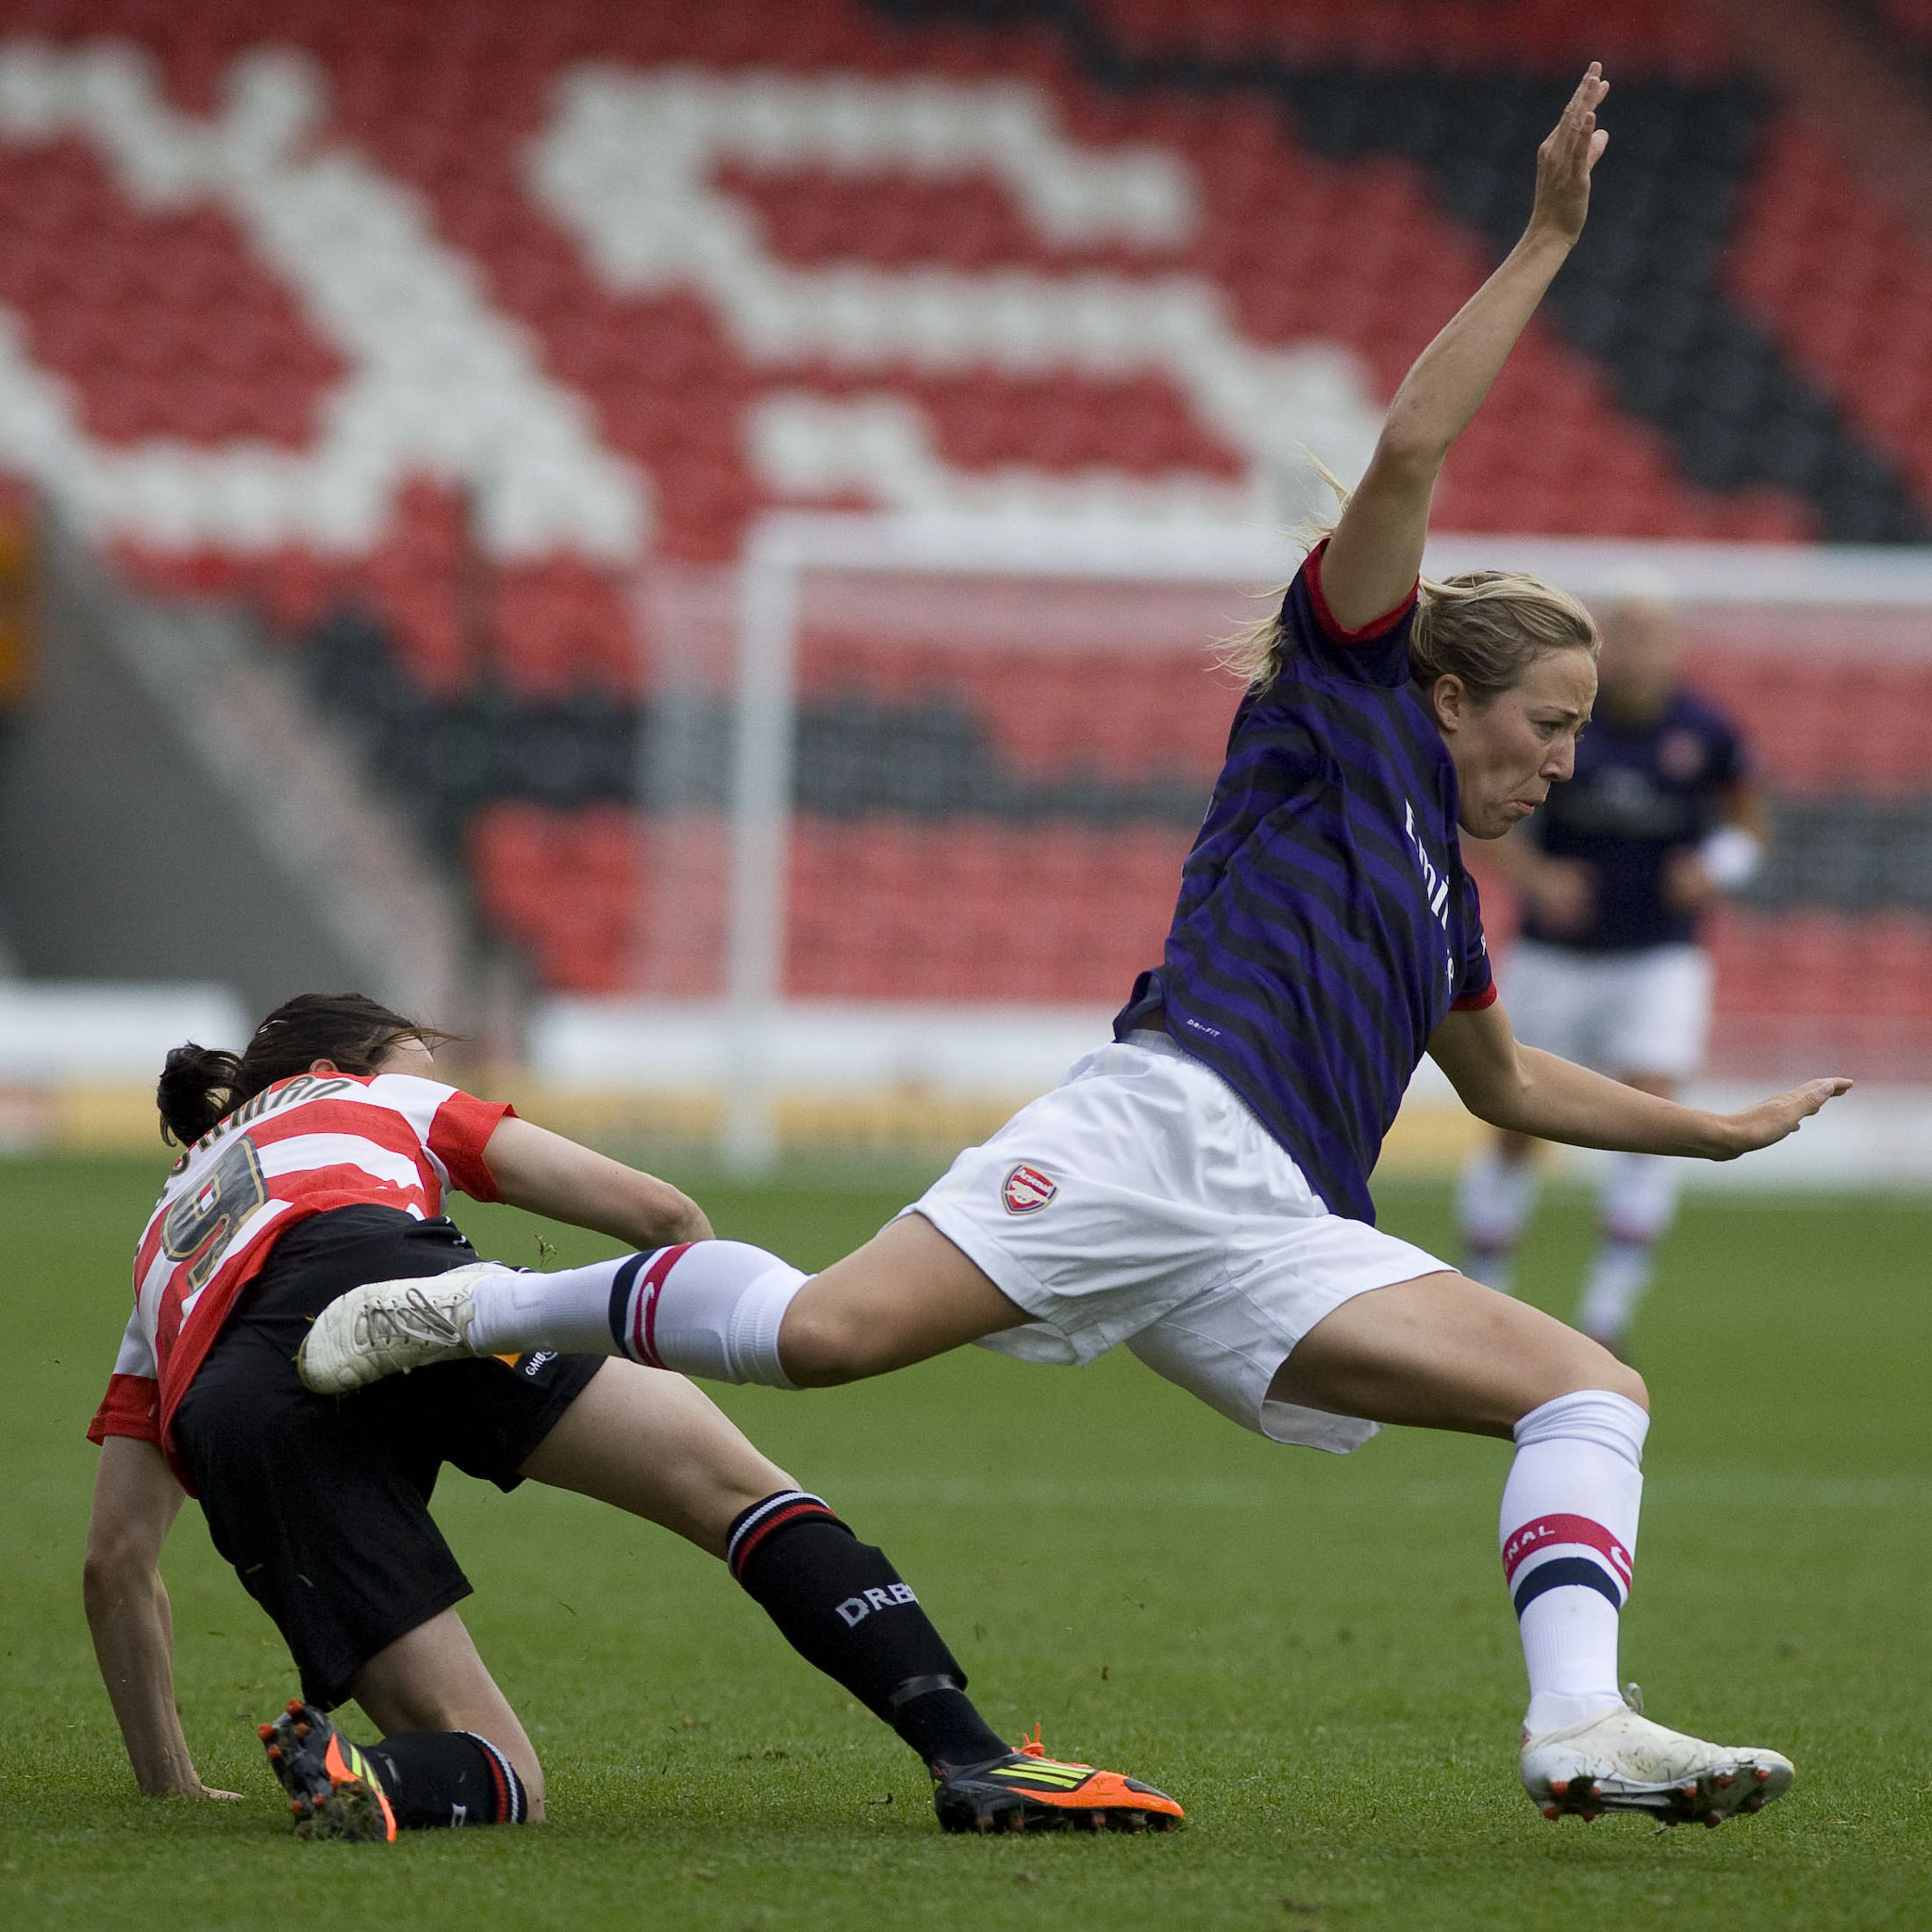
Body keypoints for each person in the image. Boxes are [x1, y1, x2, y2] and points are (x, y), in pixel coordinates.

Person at [305, 70, 1848, 1830]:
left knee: (1589, 1387)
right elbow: (1410, 449)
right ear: (1441, 683)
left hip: (1279, 1220)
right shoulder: (1340, 709)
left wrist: (1705, 1127)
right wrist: (1543, 238)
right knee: (821, 1338)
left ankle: (1577, 1723)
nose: (1565, 761)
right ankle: (478, 1304)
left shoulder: (1439, 893)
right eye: (1548, 722)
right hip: (1160, 1132)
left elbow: (1501, 1078)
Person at [84, 992, 1183, 1840]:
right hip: (406, 1289)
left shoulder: (161, 1230)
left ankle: (369, 1774)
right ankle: (971, 1754)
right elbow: (651, 1210)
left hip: (228, 1405)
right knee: (740, 1491)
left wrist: (168, 1779)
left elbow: (115, 1558)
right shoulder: (370, 1097)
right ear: (343, 1062)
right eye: (425, 1049)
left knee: (501, 1772)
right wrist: (694, 1332)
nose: (440, 1070)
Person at [1455, 579, 1767, 1354]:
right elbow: (1486, 815)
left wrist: (1717, 869)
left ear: (1674, 647)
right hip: (1556, 956)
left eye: (1652, 636)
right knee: (1514, 1121)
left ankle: (1608, 1312)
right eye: (1623, 636)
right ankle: (1483, 1293)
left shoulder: (1708, 731)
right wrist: (1538, 880)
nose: (1637, 651)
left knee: (1652, 1110)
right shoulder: (1559, 727)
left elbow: (1748, 826)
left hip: (1661, 956)